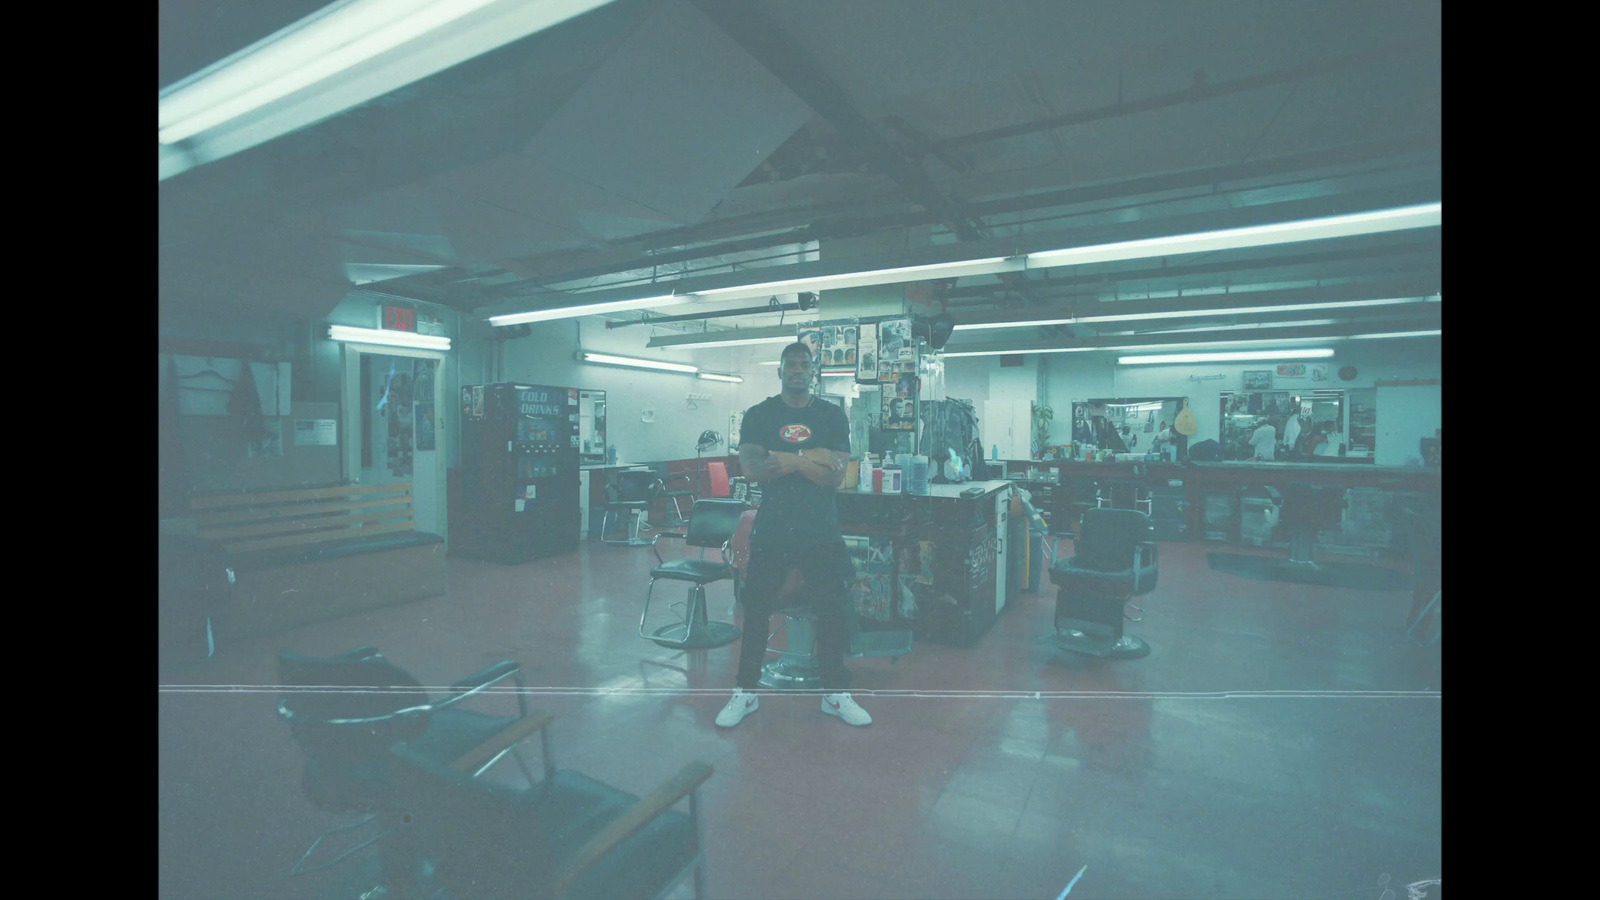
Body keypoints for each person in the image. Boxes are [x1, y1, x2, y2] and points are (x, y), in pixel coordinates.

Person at [716, 342, 870, 728]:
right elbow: (752, 468)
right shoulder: (760, 415)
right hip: (773, 529)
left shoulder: (832, 416)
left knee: (831, 613)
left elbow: (836, 475)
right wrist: (813, 458)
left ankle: (834, 694)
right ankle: (745, 692)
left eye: (804, 365)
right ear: (780, 371)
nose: (798, 370)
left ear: (813, 371)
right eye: (791, 365)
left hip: (820, 529)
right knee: (755, 612)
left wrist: (789, 458)